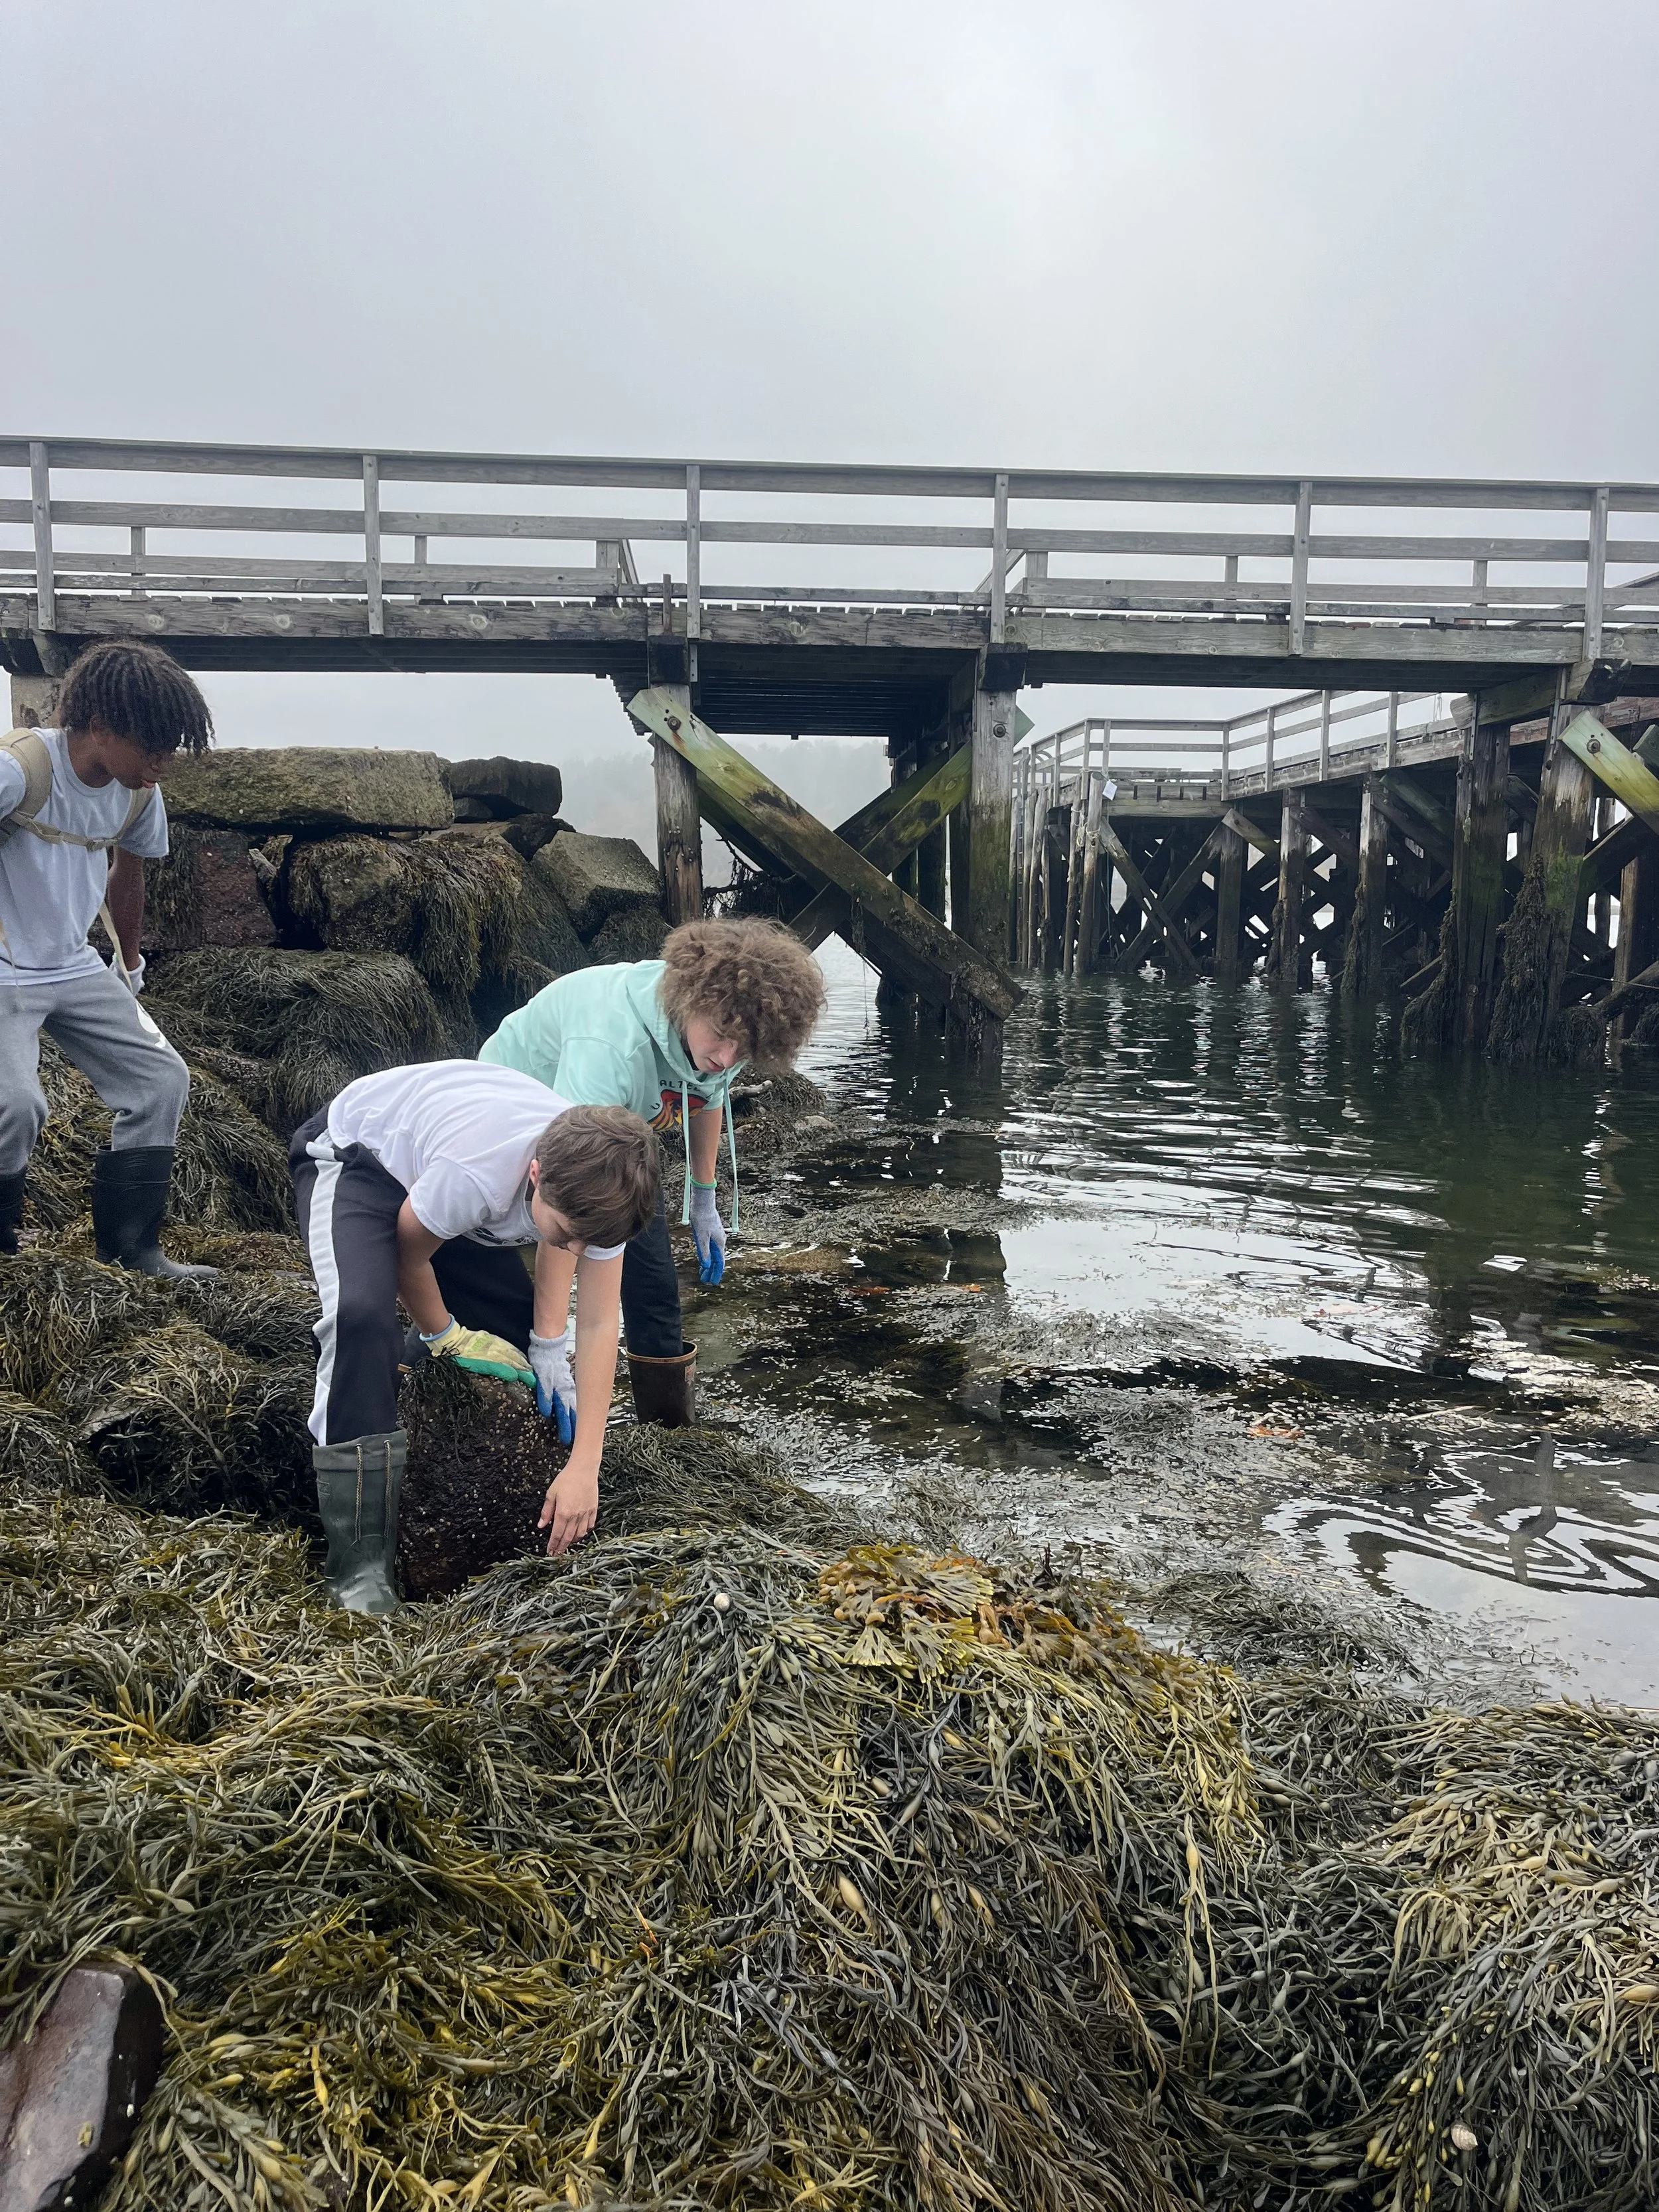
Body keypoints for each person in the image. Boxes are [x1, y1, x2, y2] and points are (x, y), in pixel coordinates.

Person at [289, 1058, 660, 1613]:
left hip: (440, 1189)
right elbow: (407, 1258)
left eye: (590, 1244)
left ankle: (404, 1373)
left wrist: (586, 1461)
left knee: (507, 1343)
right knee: (362, 1318)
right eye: (566, 1237)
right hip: (358, 1159)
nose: (576, 1253)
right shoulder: (480, 1171)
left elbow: (603, 1321)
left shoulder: (606, 1191)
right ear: (536, 1175)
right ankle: (358, 1565)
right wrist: (446, 1335)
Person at [478, 915, 826, 1429]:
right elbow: (567, 1187)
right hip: (511, 1126)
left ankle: (669, 1433)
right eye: (721, 1038)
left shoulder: (730, 1030)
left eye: (743, 1049)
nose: (725, 1056)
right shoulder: (611, 1046)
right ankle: (531, 1415)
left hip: (612, 1132)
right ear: (689, 997)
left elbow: (710, 1096)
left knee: (656, 1288)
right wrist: (549, 1340)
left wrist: (704, 1197)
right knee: (522, 1301)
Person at [0, 640, 215, 1280]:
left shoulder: (136, 794)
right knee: (15, 1106)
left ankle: (133, 1250)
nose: (163, 764)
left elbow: (129, 874)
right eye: (153, 748)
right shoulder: (20, 771)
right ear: (99, 726)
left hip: (75, 967)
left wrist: (130, 965)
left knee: (160, 1080)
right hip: (4, 970)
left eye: (171, 749)